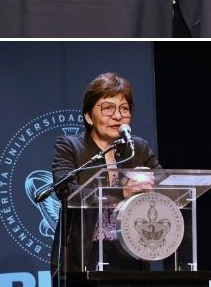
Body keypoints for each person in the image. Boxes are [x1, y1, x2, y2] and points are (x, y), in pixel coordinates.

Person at [48, 72, 160, 282]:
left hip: (131, 254)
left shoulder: (138, 148)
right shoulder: (69, 146)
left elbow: (166, 186)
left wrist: (152, 183)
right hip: (83, 258)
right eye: (108, 108)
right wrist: (122, 192)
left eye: (124, 108)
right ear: (89, 116)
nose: (118, 116)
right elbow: (66, 191)